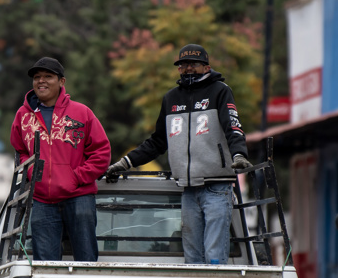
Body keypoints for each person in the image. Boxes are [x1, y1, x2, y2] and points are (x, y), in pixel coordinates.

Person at [105, 44, 251, 265]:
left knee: (214, 255)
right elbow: (157, 141)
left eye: (193, 64)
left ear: (207, 67)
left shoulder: (220, 91)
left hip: (217, 187)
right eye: (183, 65)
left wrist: (239, 154)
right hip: (187, 189)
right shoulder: (170, 98)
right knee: (192, 257)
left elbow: (233, 126)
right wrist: (125, 162)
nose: (188, 68)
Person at [11, 57, 111, 262]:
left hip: (79, 197)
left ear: (62, 82)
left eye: (48, 76)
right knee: (45, 266)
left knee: (86, 261)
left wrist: (75, 177)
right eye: (37, 77)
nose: (41, 81)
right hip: (41, 201)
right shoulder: (22, 115)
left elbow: (101, 153)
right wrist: (32, 173)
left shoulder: (82, 112)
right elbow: (20, 150)